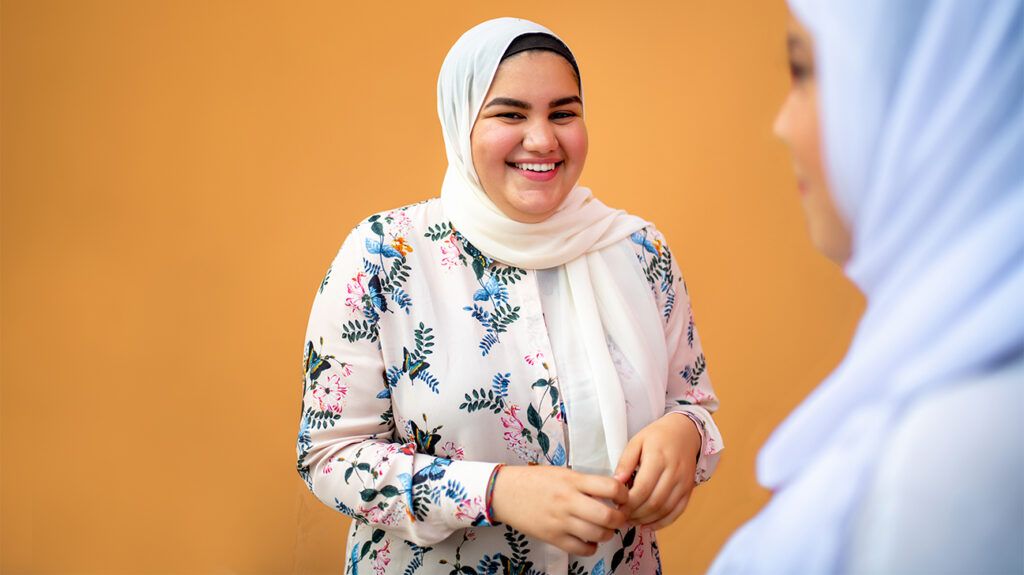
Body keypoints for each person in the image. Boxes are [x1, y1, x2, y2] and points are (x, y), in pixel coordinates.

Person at [296, 17, 723, 574]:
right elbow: (331, 456)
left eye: (563, 113)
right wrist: (496, 492)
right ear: (460, 122)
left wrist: (685, 431)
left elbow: (691, 404)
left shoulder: (639, 252)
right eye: (510, 113)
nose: (543, 139)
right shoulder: (386, 255)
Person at [710, 0, 1023, 573]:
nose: (781, 124)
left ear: (942, 94)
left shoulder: (941, 468)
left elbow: (690, 396)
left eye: (804, 70)